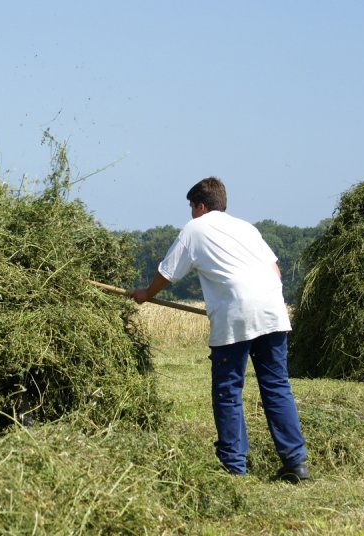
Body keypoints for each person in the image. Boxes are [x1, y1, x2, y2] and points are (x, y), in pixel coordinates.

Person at [130, 177, 309, 483]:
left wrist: (146, 294)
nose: (190, 213)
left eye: (191, 207)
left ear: (200, 206)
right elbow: (276, 272)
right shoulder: (247, 228)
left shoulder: (195, 229)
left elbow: (167, 272)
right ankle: (296, 464)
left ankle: (234, 468)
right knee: (276, 386)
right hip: (272, 310)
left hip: (235, 315)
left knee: (228, 390)